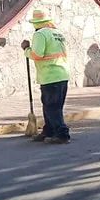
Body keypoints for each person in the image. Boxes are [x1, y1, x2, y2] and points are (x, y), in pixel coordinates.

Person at [21, 9, 70, 144]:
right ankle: (49, 130)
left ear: (36, 24)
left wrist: (26, 49)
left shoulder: (41, 34)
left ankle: (61, 133)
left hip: (50, 75)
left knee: (51, 106)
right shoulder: (58, 33)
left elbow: (37, 54)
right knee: (53, 105)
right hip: (62, 74)